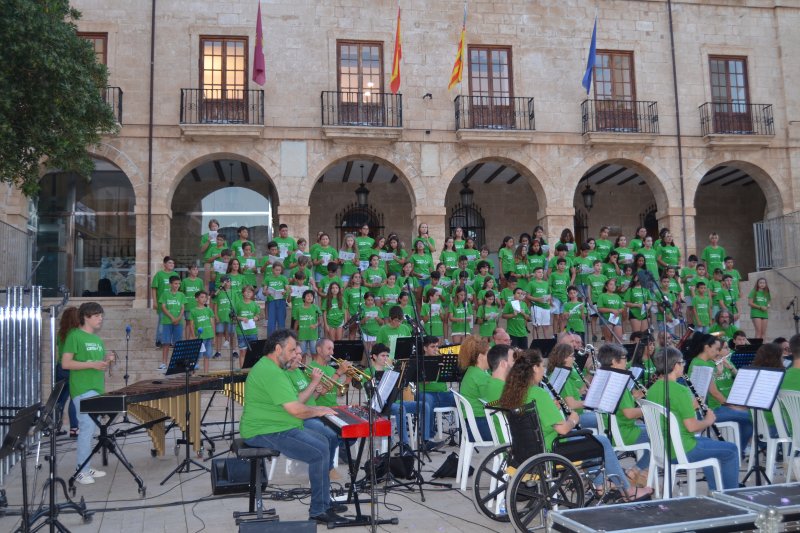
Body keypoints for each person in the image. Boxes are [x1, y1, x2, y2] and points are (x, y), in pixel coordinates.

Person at [500, 349, 652, 499]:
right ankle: (627, 490)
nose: (543, 370)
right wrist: (573, 419)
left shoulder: (514, 392)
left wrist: (554, 407)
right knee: (601, 441)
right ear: (534, 368)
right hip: (551, 448)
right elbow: (563, 429)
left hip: (528, 448)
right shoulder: (539, 394)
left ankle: (600, 485)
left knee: (590, 442)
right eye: (541, 366)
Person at [240, 330, 348, 525]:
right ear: (278, 348)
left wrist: (316, 408)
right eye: (291, 350)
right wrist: (318, 411)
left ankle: (324, 503)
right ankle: (318, 511)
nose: (294, 355)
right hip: (263, 430)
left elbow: (293, 404)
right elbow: (296, 409)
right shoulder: (271, 372)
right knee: (319, 450)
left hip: (279, 425)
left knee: (323, 441)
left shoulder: (275, 369)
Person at [647, 346, 740, 490]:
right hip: (682, 448)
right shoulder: (680, 390)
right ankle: (731, 494)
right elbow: (691, 427)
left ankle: (716, 491)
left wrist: (691, 407)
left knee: (709, 444)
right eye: (682, 362)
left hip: (664, 448)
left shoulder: (653, 389)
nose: (684, 365)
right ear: (675, 365)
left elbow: (672, 412)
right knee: (731, 450)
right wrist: (708, 421)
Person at [61, 302, 114, 485]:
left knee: (90, 430)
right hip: (82, 388)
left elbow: (97, 363)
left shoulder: (97, 340)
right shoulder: (74, 336)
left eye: (101, 315)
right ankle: (81, 470)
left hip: (96, 387)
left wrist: (107, 360)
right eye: (97, 315)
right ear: (86, 317)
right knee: (86, 429)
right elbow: (66, 364)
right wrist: (92, 364)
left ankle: (86, 465)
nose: (101, 318)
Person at [687, 333, 753, 451]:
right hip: (712, 410)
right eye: (717, 349)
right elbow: (715, 393)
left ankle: (738, 451)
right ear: (707, 347)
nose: (718, 352)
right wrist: (734, 407)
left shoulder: (698, 361)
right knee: (749, 416)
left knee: (747, 421)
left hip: (709, 408)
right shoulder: (702, 364)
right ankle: (737, 451)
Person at [597, 344, 651, 487]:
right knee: (663, 433)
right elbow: (628, 413)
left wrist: (634, 398)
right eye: (624, 358)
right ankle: (635, 471)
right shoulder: (618, 382)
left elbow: (620, 406)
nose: (627, 362)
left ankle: (641, 474)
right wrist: (650, 410)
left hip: (611, 430)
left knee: (652, 430)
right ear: (614, 362)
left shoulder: (603, 378)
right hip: (623, 432)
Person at [456, 335, 493, 441]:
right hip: (479, 426)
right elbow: (494, 401)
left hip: (473, 425)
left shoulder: (472, 371)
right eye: (489, 354)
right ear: (481, 357)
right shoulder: (480, 376)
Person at [55, 307, 81, 438]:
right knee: (74, 399)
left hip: (60, 368)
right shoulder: (76, 333)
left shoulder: (60, 333)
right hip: (71, 368)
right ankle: (74, 428)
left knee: (59, 399)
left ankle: (55, 427)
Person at [308, 338, 350, 407]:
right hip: (321, 409)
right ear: (319, 350)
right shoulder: (311, 368)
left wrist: (348, 379)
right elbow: (323, 391)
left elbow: (339, 393)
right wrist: (338, 373)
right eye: (329, 349)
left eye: (332, 349)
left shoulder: (332, 369)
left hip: (335, 408)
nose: (332, 352)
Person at [159, 275, 185, 370]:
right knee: (166, 342)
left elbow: (182, 308)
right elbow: (163, 307)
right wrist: (172, 317)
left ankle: (177, 362)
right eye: (175, 283)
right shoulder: (165, 294)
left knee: (177, 343)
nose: (177, 285)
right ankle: (164, 363)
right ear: (170, 284)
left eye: (178, 283)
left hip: (178, 322)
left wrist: (178, 318)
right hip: (167, 321)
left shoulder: (181, 295)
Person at [150, 256, 176, 347]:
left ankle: (171, 341)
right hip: (162, 304)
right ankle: (159, 340)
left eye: (173, 263)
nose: (171, 265)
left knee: (173, 322)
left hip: (173, 304)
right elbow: (154, 288)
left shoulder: (175, 275)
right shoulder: (159, 274)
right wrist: (155, 301)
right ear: (164, 264)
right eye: (169, 263)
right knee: (162, 322)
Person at [189, 291, 215, 373]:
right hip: (200, 337)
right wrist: (193, 336)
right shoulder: (193, 311)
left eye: (205, 297)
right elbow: (191, 325)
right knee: (197, 355)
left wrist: (213, 335)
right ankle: (193, 373)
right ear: (197, 299)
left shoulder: (209, 310)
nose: (204, 299)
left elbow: (212, 323)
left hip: (209, 336)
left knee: (207, 355)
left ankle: (206, 373)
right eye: (202, 297)